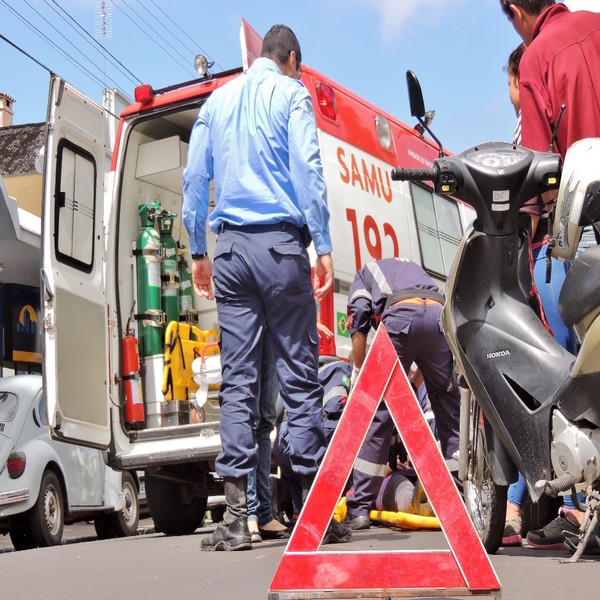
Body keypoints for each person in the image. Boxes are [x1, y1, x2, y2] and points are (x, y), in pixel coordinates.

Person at [182, 24, 351, 551]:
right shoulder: (291, 94)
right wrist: (322, 242)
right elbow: (307, 169)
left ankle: (236, 518)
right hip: (281, 249)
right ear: (292, 59)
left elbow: (193, 181)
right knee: (299, 377)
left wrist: (198, 249)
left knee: (238, 383)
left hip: (230, 252)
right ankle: (312, 514)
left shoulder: (217, 99)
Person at [499, 0, 600, 551]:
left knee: (565, 367)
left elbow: (539, 169)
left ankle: (580, 510)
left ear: (516, 10)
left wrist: (521, 215)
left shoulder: (538, 55)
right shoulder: (596, 25)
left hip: (581, 225)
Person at [341, 257, 460, 530]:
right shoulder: (411, 268)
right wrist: (417, 383)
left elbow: (359, 317)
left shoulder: (363, 273)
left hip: (402, 317)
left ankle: (359, 508)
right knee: (448, 411)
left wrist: (361, 373)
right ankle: (458, 500)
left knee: (379, 413)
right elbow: (424, 340)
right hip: (438, 318)